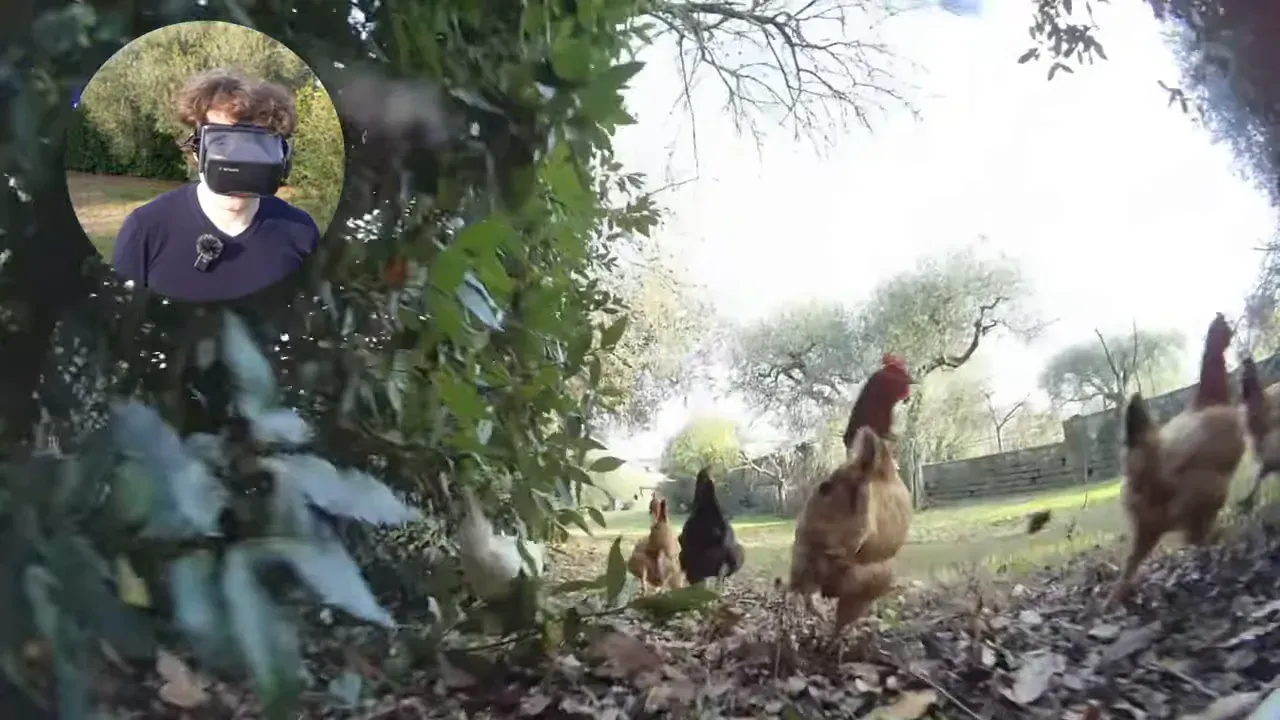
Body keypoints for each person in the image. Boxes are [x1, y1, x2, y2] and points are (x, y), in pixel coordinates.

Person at [110, 68, 320, 302]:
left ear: (281, 157)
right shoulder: (145, 230)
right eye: (222, 143)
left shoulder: (301, 232)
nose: (238, 161)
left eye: (253, 147)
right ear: (197, 150)